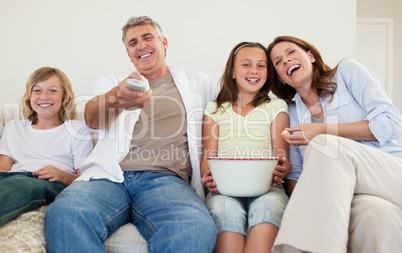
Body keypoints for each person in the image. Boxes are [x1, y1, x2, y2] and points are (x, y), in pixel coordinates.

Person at [45, 16, 218, 252]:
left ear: (164, 43)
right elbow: (91, 119)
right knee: (66, 212)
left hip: (165, 179)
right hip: (108, 177)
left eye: (148, 38)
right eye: (133, 43)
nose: (141, 46)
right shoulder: (113, 83)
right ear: (129, 55)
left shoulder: (198, 82)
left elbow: (224, 118)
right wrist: (118, 97)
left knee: (195, 227)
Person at [267, 35, 402, 253]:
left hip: (391, 173)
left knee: (324, 145)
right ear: (281, 78)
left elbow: (392, 124)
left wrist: (322, 130)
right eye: (278, 62)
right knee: (377, 217)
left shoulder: (346, 73)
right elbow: (297, 177)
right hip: (356, 193)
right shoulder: (291, 113)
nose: (285, 61)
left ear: (310, 56)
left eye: (291, 52)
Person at [200, 42, 290, 253]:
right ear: (232, 72)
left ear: (268, 73)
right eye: (246, 64)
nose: (253, 71)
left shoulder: (276, 107)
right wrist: (208, 176)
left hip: (268, 187)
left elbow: (283, 160)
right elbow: (208, 157)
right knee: (223, 209)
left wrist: (281, 170)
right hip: (225, 188)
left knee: (268, 206)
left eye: (261, 66)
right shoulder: (214, 109)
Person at [0, 67, 93, 227]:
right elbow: (3, 168)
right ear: (29, 96)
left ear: (65, 96)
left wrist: (62, 176)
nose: (44, 96)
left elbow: (85, 181)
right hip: (13, 177)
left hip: (46, 182)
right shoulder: (13, 127)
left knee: (20, 187)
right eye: (37, 90)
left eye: (52, 91)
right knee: (12, 184)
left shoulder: (77, 130)